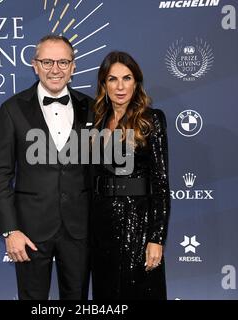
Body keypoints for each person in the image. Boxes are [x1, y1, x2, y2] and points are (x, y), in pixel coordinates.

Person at [0, 35, 94, 300]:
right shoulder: (12, 109)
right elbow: (2, 174)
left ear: (73, 67)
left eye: (63, 62)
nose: (55, 69)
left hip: (80, 228)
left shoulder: (93, 108)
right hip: (29, 231)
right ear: (34, 65)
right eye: (47, 61)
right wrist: (10, 230)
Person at [90, 51, 170, 300]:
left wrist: (156, 238)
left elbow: (161, 182)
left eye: (127, 78)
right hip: (101, 225)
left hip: (138, 224)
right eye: (113, 79)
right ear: (104, 84)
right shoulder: (97, 122)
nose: (120, 86)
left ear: (136, 82)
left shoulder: (151, 120)